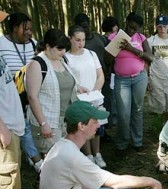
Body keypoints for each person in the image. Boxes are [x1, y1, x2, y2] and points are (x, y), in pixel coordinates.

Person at [39, 100, 162, 189]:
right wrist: (150, 181)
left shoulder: (61, 146)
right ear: (81, 126)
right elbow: (115, 182)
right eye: (94, 121)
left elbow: (81, 185)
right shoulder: (73, 158)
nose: (98, 124)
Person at [25, 29, 87, 157]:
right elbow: (32, 96)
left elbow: (63, 83)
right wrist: (43, 123)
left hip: (66, 119)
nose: (63, 52)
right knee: (53, 160)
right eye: (59, 49)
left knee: (67, 157)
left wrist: (78, 88)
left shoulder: (62, 60)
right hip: (49, 122)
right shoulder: (37, 64)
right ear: (47, 46)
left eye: (65, 48)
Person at [0, 12, 43, 172]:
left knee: (30, 124)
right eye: (25, 28)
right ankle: (37, 161)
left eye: (30, 29)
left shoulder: (34, 43)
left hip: (31, 92)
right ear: (14, 28)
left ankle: (32, 155)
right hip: (10, 96)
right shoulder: (1, 43)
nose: (29, 32)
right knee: (22, 125)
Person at [108, 12, 153, 155]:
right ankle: (122, 143)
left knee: (138, 110)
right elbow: (107, 59)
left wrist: (131, 49)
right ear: (125, 22)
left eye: (135, 29)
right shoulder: (114, 37)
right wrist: (116, 47)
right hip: (122, 80)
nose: (132, 31)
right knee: (123, 113)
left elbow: (150, 57)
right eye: (130, 26)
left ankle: (137, 142)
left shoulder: (141, 38)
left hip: (139, 77)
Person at [65, 25, 106, 168]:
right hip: (78, 99)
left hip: (94, 96)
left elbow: (100, 76)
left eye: (83, 40)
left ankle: (97, 153)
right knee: (84, 126)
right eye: (77, 40)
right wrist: (79, 93)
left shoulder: (91, 54)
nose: (81, 43)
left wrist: (94, 92)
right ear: (70, 39)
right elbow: (68, 80)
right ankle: (88, 155)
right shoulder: (66, 58)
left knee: (97, 126)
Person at [0, 10, 25, 189]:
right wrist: (1, 128)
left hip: (12, 121)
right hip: (3, 126)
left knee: (12, 170)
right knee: (3, 174)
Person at [147, 14, 168, 122]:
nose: (162, 29)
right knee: (158, 105)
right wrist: (148, 80)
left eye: (164, 26)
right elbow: (146, 61)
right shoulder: (150, 41)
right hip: (155, 77)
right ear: (156, 27)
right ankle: (159, 129)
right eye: (160, 26)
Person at [101, 16, 119, 128]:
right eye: (114, 26)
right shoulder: (103, 40)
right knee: (110, 98)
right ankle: (111, 120)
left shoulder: (116, 38)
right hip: (108, 72)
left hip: (116, 71)